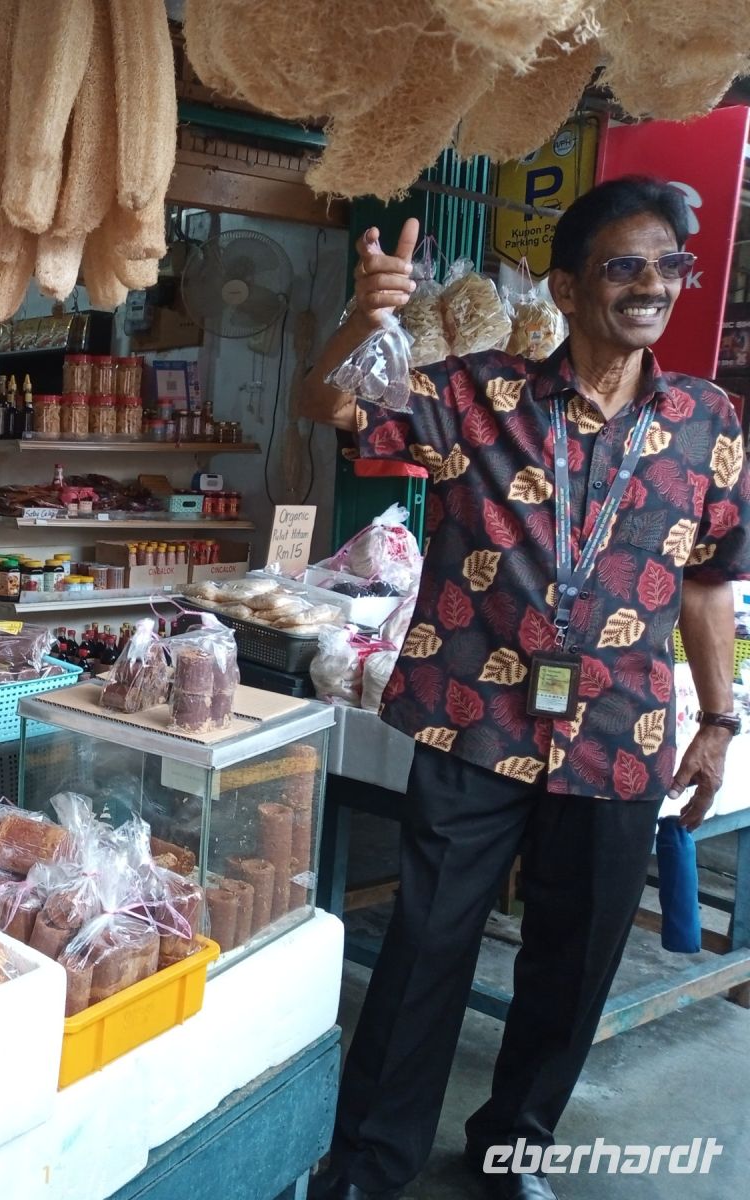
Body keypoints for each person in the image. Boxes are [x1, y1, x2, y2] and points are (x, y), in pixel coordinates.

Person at [299, 176, 750, 1200]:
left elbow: (708, 581)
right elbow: (329, 404)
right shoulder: (476, 394)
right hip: (476, 719)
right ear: (567, 287)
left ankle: (513, 1148)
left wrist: (720, 721)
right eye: (624, 266)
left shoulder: (706, 422)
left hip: (618, 736)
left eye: (668, 266)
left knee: (573, 964)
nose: (651, 286)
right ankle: (370, 1162)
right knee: (425, 947)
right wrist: (360, 321)